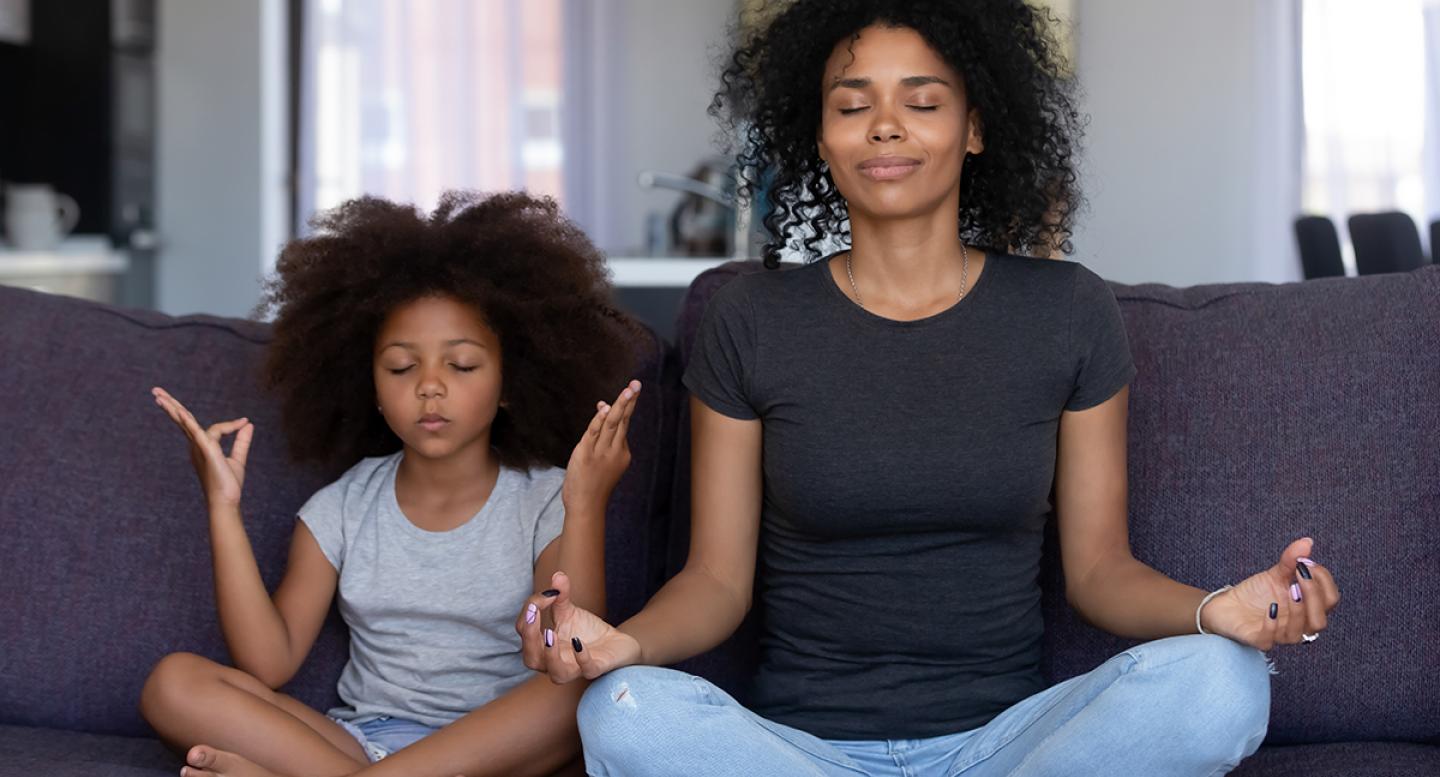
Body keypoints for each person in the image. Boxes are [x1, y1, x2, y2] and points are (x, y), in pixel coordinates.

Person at [519, 3, 1342, 775]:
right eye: (851, 105)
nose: (885, 126)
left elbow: (1100, 570)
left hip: (1009, 744)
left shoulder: (1067, 309)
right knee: (622, 708)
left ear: (975, 126)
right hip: (800, 748)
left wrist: (1220, 611)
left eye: (922, 101)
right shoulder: (752, 318)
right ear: (820, 135)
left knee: (1225, 682)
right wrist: (626, 645)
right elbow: (716, 582)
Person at [140, 191, 642, 777]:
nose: (430, 386)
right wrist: (222, 508)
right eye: (402, 367)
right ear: (372, 388)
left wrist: (585, 505)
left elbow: (569, 645)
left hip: (499, 749)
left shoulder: (545, 497)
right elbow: (268, 663)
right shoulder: (343, 507)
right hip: (361, 743)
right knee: (172, 683)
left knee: (577, 689)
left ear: (509, 383)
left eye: (461, 365)